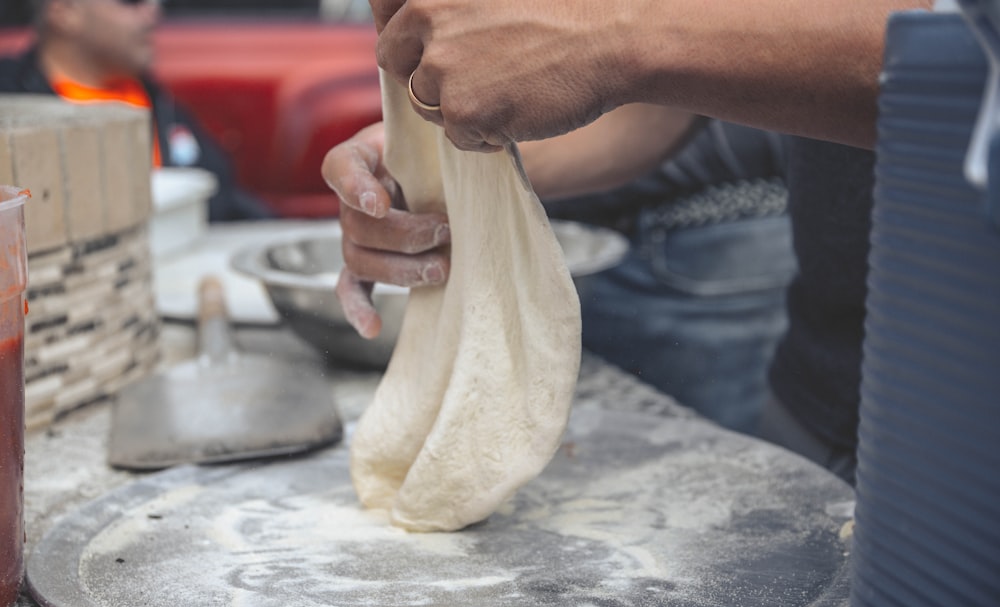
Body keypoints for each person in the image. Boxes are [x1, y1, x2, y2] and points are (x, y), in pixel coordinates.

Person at [323, 0, 935, 485]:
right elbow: (665, 106)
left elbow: (972, 51)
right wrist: (433, 160)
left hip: (963, 429)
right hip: (820, 391)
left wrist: (611, 34)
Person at [538, 118, 793, 435]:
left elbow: (655, 102)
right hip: (576, 226)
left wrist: (481, 160)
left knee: (703, 447)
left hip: (707, 229)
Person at [0, 0, 272, 222]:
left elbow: (223, 198)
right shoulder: (11, 101)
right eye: (132, 2)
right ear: (64, 10)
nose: (154, 10)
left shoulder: (156, 99)